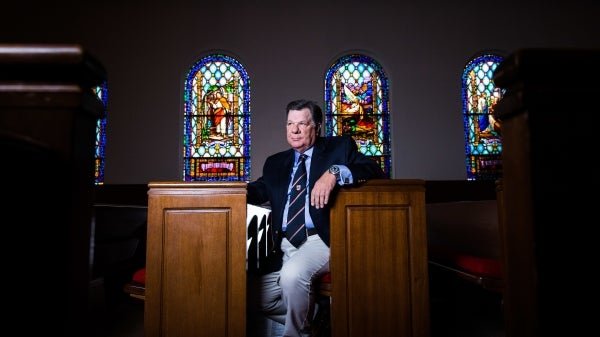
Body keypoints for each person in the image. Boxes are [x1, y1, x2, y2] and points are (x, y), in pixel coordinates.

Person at [246, 99, 384, 337]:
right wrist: (228, 192)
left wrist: (334, 173)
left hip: (320, 240)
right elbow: (260, 190)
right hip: (284, 244)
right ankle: (315, 317)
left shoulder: (338, 148)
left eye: (302, 123)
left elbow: (373, 169)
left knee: (292, 277)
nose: (295, 130)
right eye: (290, 124)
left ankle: (296, 334)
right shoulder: (275, 162)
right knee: (255, 296)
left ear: (317, 126)